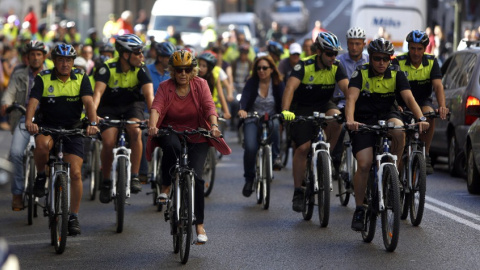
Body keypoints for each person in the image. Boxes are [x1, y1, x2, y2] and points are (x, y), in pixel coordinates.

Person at [146, 49, 231, 244]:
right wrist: (152, 126)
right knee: (171, 146)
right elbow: (156, 107)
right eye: (178, 70)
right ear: (173, 71)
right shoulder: (165, 86)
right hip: (172, 130)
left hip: (197, 133)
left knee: (198, 177)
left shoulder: (201, 84)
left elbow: (210, 106)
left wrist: (215, 127)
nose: (183, 73)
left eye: (186, 69)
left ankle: (199, 226)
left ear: (192, 70)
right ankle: (166, 186)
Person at [345, 38, 429, 231]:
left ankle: (394, 174)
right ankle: (359, 208)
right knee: (365, 163)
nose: (382, 63)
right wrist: (350, 120)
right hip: (363, 119)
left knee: (399, 130)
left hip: (387, 114)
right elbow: (351, 97)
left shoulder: (396, 73)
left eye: (386, 58)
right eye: (377, 58)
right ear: (371, 58)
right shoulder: (361, 72)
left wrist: (421, 117)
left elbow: (408, 97)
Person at [24, 43, 99, 235]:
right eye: (60, 60)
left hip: (73, 129)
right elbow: (33, 102)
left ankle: (73, 216)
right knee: (40, 145)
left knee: (75, 173)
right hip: (48, 127)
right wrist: (29, 121)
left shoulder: (81, 77)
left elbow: (89, 102)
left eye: (68, 60)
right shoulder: (43, 77)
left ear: (73, 62)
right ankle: (41, 176)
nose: (65, 64)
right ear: (54, 61)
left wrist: (92, 123)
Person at [281, 32, 348, 212]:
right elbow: (289, 88)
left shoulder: (337, 66)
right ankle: (298, 191)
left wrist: (352, 111)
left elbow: (348, 89)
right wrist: (286, 111)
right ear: (318, 51)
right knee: (302, 148)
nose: (333, 57)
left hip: (324, 103)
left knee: (337, 120)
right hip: (302, 107)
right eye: (329, 53)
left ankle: (327, 155)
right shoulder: (304, 65)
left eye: (335, 53)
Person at [93, 34, 154, 202]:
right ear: (125, 54)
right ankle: (106, 181)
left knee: (135, 131)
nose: (142, 56)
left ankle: (134, 176)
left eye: (142, 52)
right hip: (109, 108)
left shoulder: (141, 68)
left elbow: (149, 96)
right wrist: (93, 117)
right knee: (108, 141)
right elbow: (97, 94)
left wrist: (154, 119)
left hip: (132, 106)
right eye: (137, 53)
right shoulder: (107, 68)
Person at [392, 30, 448, 174]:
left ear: (425, 49)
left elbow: (437, 86)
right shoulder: (398, 61)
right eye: (412, 48)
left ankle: (426, 154)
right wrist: (394, 104)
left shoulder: (431, 61)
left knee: (430, 114)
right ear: (408, 47)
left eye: (419, 49)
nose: (416, 53)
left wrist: (442, 106)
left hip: (423, 101)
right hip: (401, 102)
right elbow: (390, 85)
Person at [1, 41, 47, 210]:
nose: (35, 58)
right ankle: (18, 193)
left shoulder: (51, 73)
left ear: (44, 57)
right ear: (27, 57)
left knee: (52, 152)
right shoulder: (18, 73)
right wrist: (5, 103)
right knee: (15, 153)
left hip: (46, 120)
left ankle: (47, 180)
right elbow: (9, 93)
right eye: (32, 54)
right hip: (23, 118)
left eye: (39, 54)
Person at [239, 55, 285, 196]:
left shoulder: (277, 83)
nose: (261, 70)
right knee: (251, 147)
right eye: (258, 68)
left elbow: (284, 100)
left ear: (271, 69)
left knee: (276, 123)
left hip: (271, 117)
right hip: (253, 118)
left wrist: (285, 112)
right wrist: (242, 109)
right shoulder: (252, 82)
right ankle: (249, 179)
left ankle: (276, 157)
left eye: (265, 68)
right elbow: (245, 97)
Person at [335, 27, 369, 106]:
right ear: (347, 43)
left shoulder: (370, 61)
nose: (354, 47)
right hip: (342, 102)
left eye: (357, 44)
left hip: (365, 103)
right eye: (351, 43)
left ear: (364, 44)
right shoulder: (338, 61)